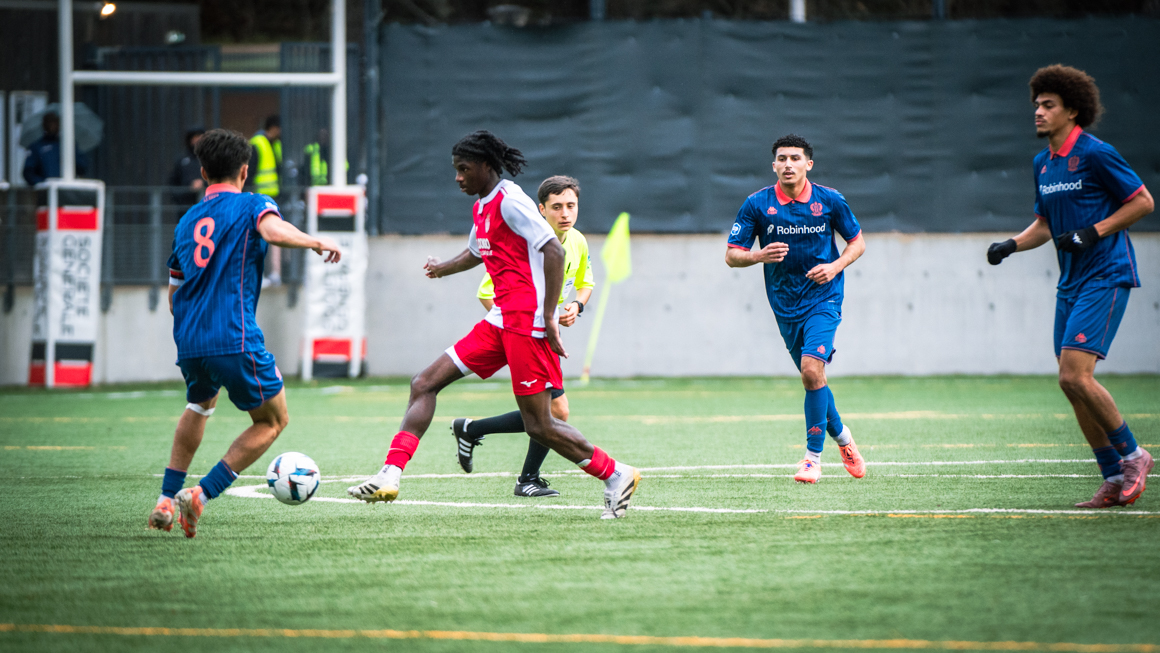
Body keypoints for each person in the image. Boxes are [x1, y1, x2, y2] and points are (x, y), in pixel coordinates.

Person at [346, 131, 640, 519]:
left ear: (486, 166)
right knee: (424, 383)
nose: (458, 177)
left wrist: (548, 316)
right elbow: (475, 252)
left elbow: (553, 249)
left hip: (527, 324)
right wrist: (442, 268)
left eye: (463, 169)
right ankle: (389, 475)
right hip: (500, 319)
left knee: (541, 425)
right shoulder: (483, 206)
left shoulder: (511, 201)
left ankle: (616, 474)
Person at [148, 129, 341, 538]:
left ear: (203, 172)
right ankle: (200, 494)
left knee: (200, 405)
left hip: (189, 339)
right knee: (273, 420)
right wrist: (314, 241)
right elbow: (273, 232)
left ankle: (165, 499)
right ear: (244, 171)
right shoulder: (253, 204)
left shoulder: (186, 222)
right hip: (233, 336)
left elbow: (174, 294)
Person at [987, 65, 1154, 509]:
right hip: (1071, 282)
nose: (1038, 112)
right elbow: (1044, 224)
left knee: (1073, 374)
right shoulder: (1043, 163)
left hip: (1107, 273)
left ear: (1073, 110)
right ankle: (1113, 476)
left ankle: (1134, 456)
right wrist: (1011, 245)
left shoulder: (1097, 153)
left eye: (1048, 105)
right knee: (1071, 383)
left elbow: (1142, 202)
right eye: (1036, 105)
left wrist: (1094, 232)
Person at [725, 134, 867, 484]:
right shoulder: (757, 204)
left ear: (809, 164)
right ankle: (844, 439)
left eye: (795, 158)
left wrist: (835, 267)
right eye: (782, 159)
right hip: (784, 304)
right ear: (773, 165)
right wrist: (758, 255)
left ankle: (811, 460)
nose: (788, 164)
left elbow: (857, 243)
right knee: (813, 378)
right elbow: (731, 255)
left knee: (810, 369)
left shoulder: (829, 200)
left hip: (824, 297)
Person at [451, 175, 595, 498]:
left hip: (545, 335)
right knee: (554, 413)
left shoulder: (577, 241)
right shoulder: (526, 244)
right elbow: (486, 292)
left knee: (554, 412)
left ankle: (472, 430)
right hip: (524, 334)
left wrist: (576, 306)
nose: (565, 213)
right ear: (541, 210)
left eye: (571, 206)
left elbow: (586, 283)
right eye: (556, 207)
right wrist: (521, 326)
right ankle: (526, 477)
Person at [248, 115, 283, 287]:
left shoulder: (276, 144)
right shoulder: (257, 143)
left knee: (274, 235)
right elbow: (250, 171)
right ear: (273, 128)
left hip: (273, 198)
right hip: (259, 199)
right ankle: (259, 274)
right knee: (259, 236)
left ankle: (275, 273)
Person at [22, 112, 89, 185]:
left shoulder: (68, 144)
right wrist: (43, 183)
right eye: (49, 122)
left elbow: (82, 167)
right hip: (46, 189)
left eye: (55, 122)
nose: (52, 125)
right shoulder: (37, 146)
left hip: (67, 188)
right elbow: (28, 173)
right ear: (44, 125)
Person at [169, 126, 206, 206]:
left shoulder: (210, 158)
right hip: (186, 205)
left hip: (207, 203)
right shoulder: (182, 161)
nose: (198, 140)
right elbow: (173, 183)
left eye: (200, 137)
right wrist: (189, 189)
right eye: (195, 137)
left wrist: (203, 183)